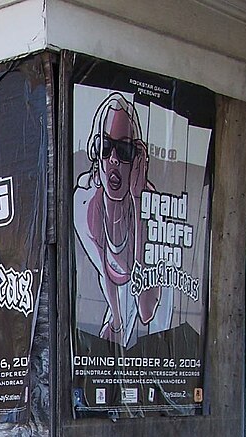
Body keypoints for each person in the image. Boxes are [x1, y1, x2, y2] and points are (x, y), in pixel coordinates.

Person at [73, 93, 161, 346]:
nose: (113, 159)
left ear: (137, 157)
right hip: (115, 301)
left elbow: (147, 310)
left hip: (144, 299)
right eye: (105, 147)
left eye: (123, 150)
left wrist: (137, 198)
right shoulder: (85, 203)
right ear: (95, 151)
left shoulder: (149, 204)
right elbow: (106, 272)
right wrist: (117, 322)